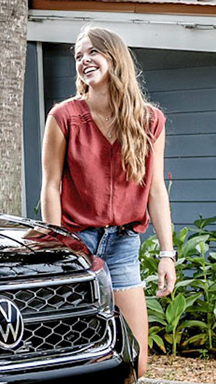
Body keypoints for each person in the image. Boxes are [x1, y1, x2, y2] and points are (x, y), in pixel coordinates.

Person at [40, 26, 177, 366]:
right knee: (79, 355)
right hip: (77, 243)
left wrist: (167, 253)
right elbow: (51, 185)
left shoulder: (149, 120)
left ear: (114, 57)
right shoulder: (64, 117)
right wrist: (59, 249)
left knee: (136, 361)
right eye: (78, 56)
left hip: (124, 245)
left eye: (92, 52)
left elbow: (156, 190)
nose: (84, 60)